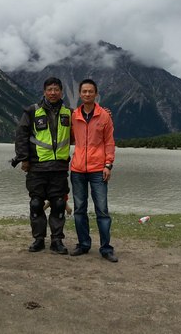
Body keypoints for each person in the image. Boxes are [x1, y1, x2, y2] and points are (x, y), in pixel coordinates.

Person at [14, 77, 72, 255]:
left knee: (59, 204)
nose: (53, 93)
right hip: (37, 167)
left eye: (56, 89)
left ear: (61, 92)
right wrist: (24, 159)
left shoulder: (70, 113)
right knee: (36, 203)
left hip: (59, 168)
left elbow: (87, 122)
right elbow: (21, 135)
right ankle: (38, 239)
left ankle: (57, 241)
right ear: (44, 92)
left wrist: (105, 112)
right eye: (50, 89)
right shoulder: (32, 111)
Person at [69, 78, 118, 262]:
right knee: (79, 209)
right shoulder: (74, 116)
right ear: (80, 94)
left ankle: (106, 248)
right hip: (77, 169)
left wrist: (108, 164)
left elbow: (109, 142)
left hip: (98, 169)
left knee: (102, 210)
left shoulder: (104, 116)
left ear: (96, 94)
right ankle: (83, 244)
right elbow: (70, 138)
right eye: (84, 91)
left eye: (91, 91)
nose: (87, 94)